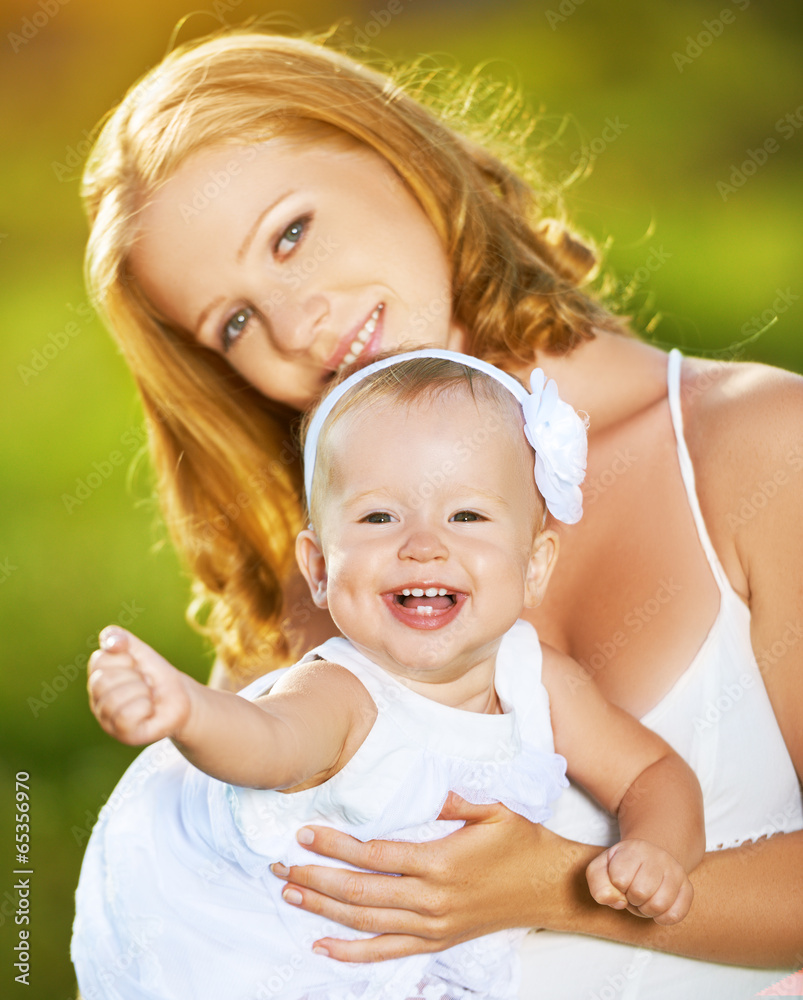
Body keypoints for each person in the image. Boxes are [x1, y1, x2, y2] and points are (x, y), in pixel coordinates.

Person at [79, 26, 803, 998]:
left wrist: (553, 887)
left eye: (291, 233)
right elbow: (218, 923)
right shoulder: (316, 592)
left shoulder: (755, 446)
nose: (297, 328)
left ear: (394, 153)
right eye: (235, 322)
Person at [74, 351, 704, 1000]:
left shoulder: (537, 679)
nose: (423, 544)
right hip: (294, 966)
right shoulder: (341, 694)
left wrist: (658, 850)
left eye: (467, 516)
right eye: (379, 517)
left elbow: (650, 775)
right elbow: (267, 744)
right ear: (319, 570)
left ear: (535, 564)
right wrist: (189, 710)